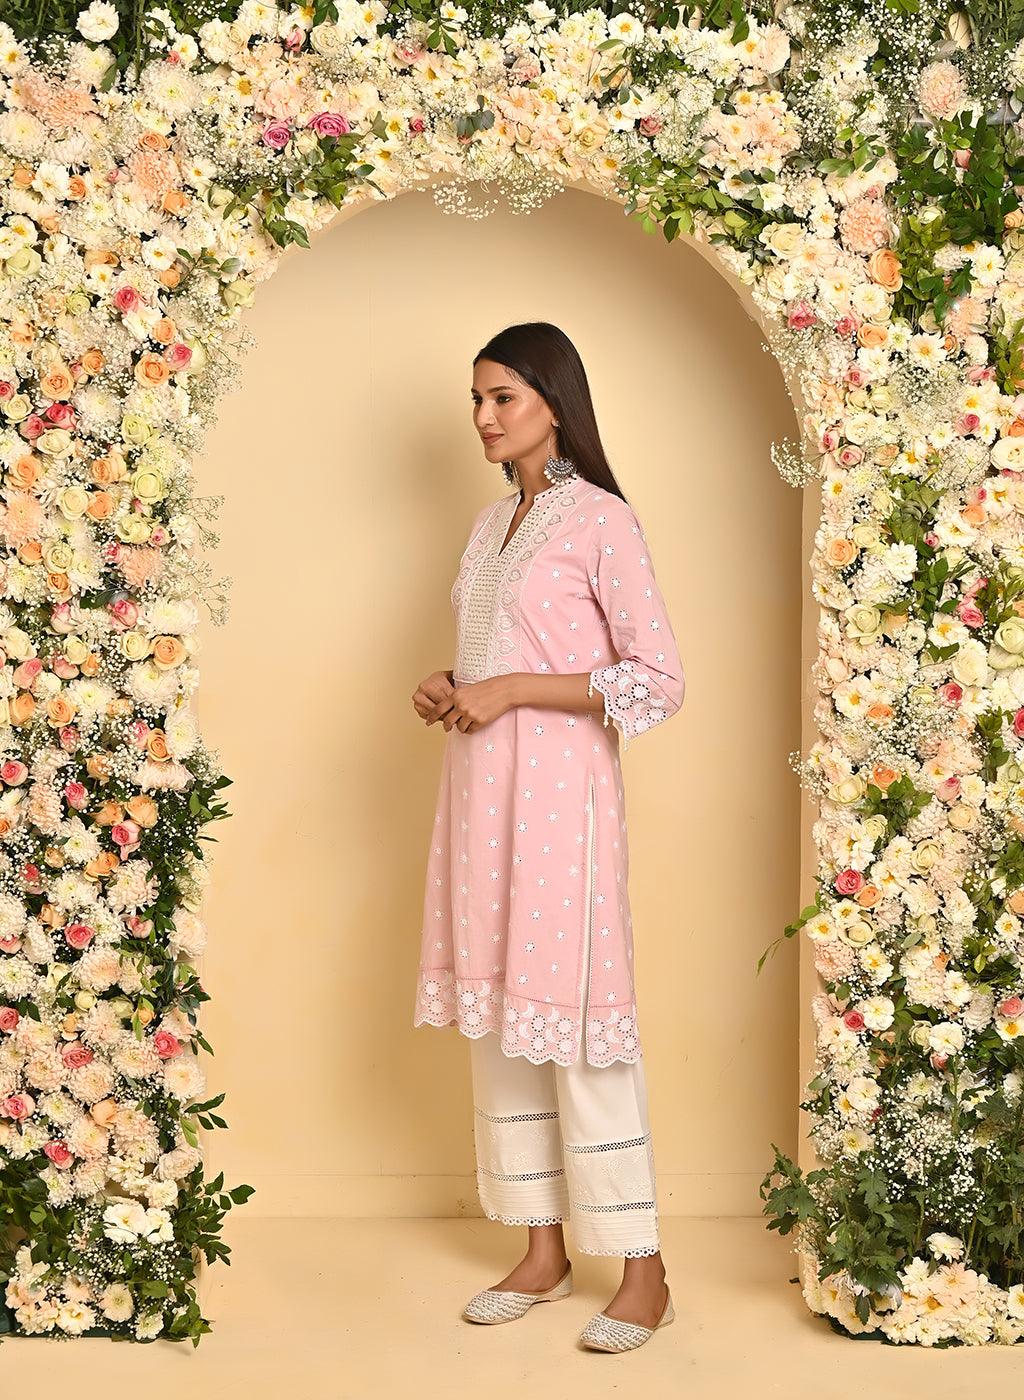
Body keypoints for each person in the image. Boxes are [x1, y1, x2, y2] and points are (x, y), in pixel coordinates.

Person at [411, 321, 685, 1353]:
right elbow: (499, 653)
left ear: (554, 405)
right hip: (479, 797)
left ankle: (644, 1268)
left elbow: (657, 679)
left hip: (561, 802)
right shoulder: (491, 525)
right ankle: (541, 1249)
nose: (484, 418)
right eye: (477, 400)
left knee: (575, 1014)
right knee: (502, 1016)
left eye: (503, 398)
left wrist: (518, 687)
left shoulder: (603, 519)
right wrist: (454, 685)